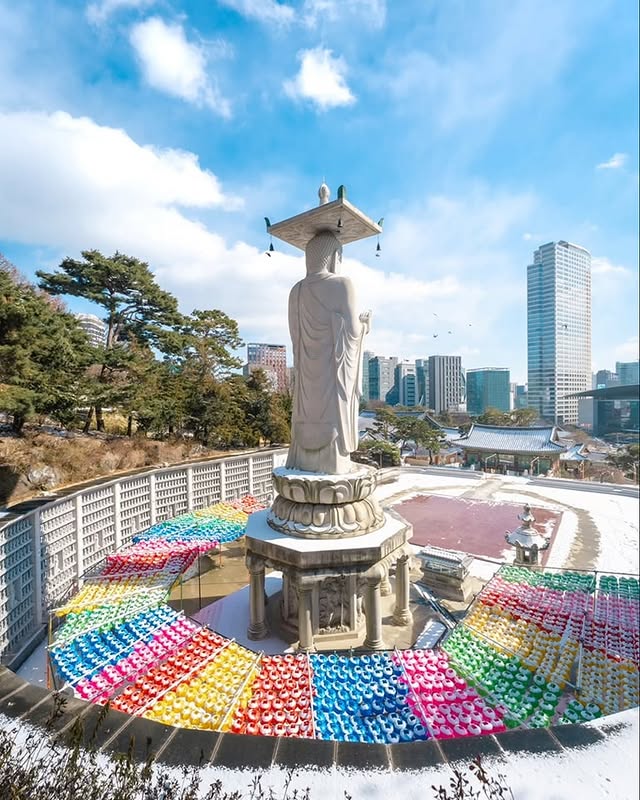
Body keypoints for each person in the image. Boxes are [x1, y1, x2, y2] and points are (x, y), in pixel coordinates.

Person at [286, 230, 371, 474]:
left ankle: (303, 458)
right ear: (333, 257)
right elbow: (352, 332)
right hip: (332, 383)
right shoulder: (342, 284)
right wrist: (365, 325)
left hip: (306, 389)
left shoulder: (296, 291)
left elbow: (296, 339)